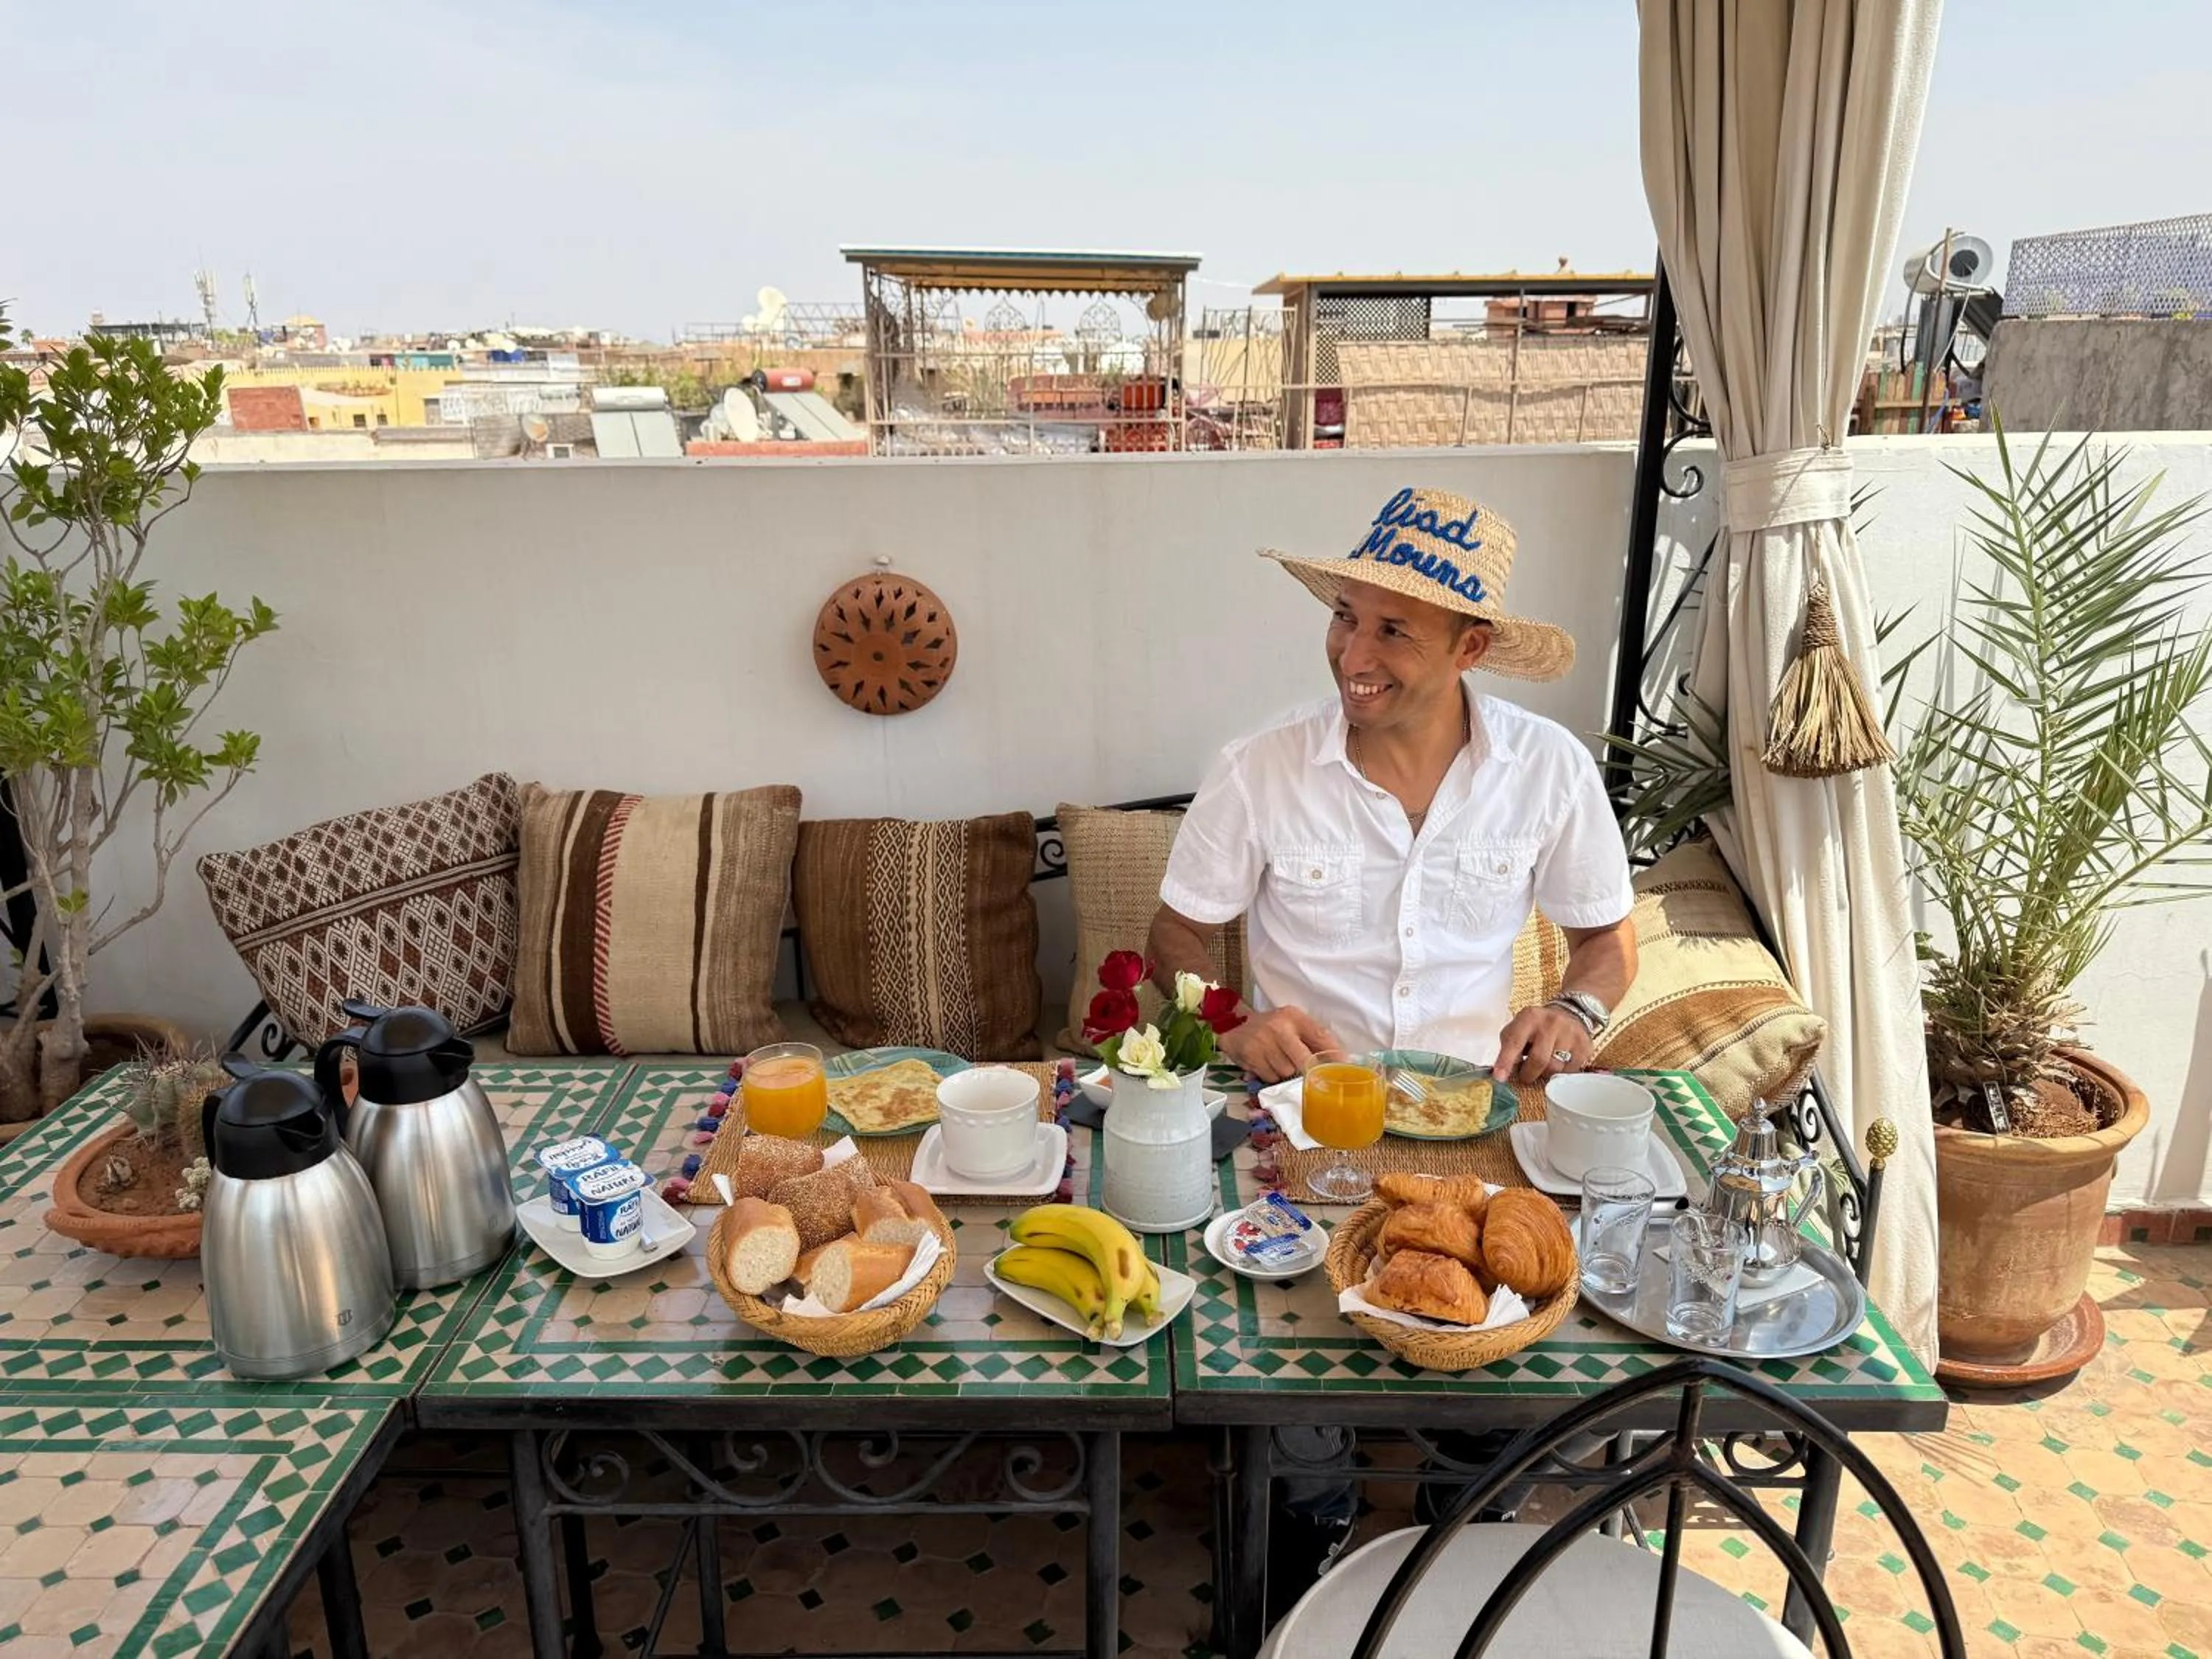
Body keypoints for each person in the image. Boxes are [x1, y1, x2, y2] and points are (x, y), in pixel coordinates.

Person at [1146, 487, 1640, 1613]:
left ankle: (1461, 1515)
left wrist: (1575, 1011)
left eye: (1390, 630)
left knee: (1506, 1332)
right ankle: (1310, 1508)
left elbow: (1608, 942)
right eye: (1343, 616)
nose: (1351, 655)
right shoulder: (1261, 767)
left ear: (1472, 648)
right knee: (1293, 1347)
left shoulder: (1548, 770)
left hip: (1480, 1131)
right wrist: (1231, 1018)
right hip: (1304, 1126)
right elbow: (1176, 935)